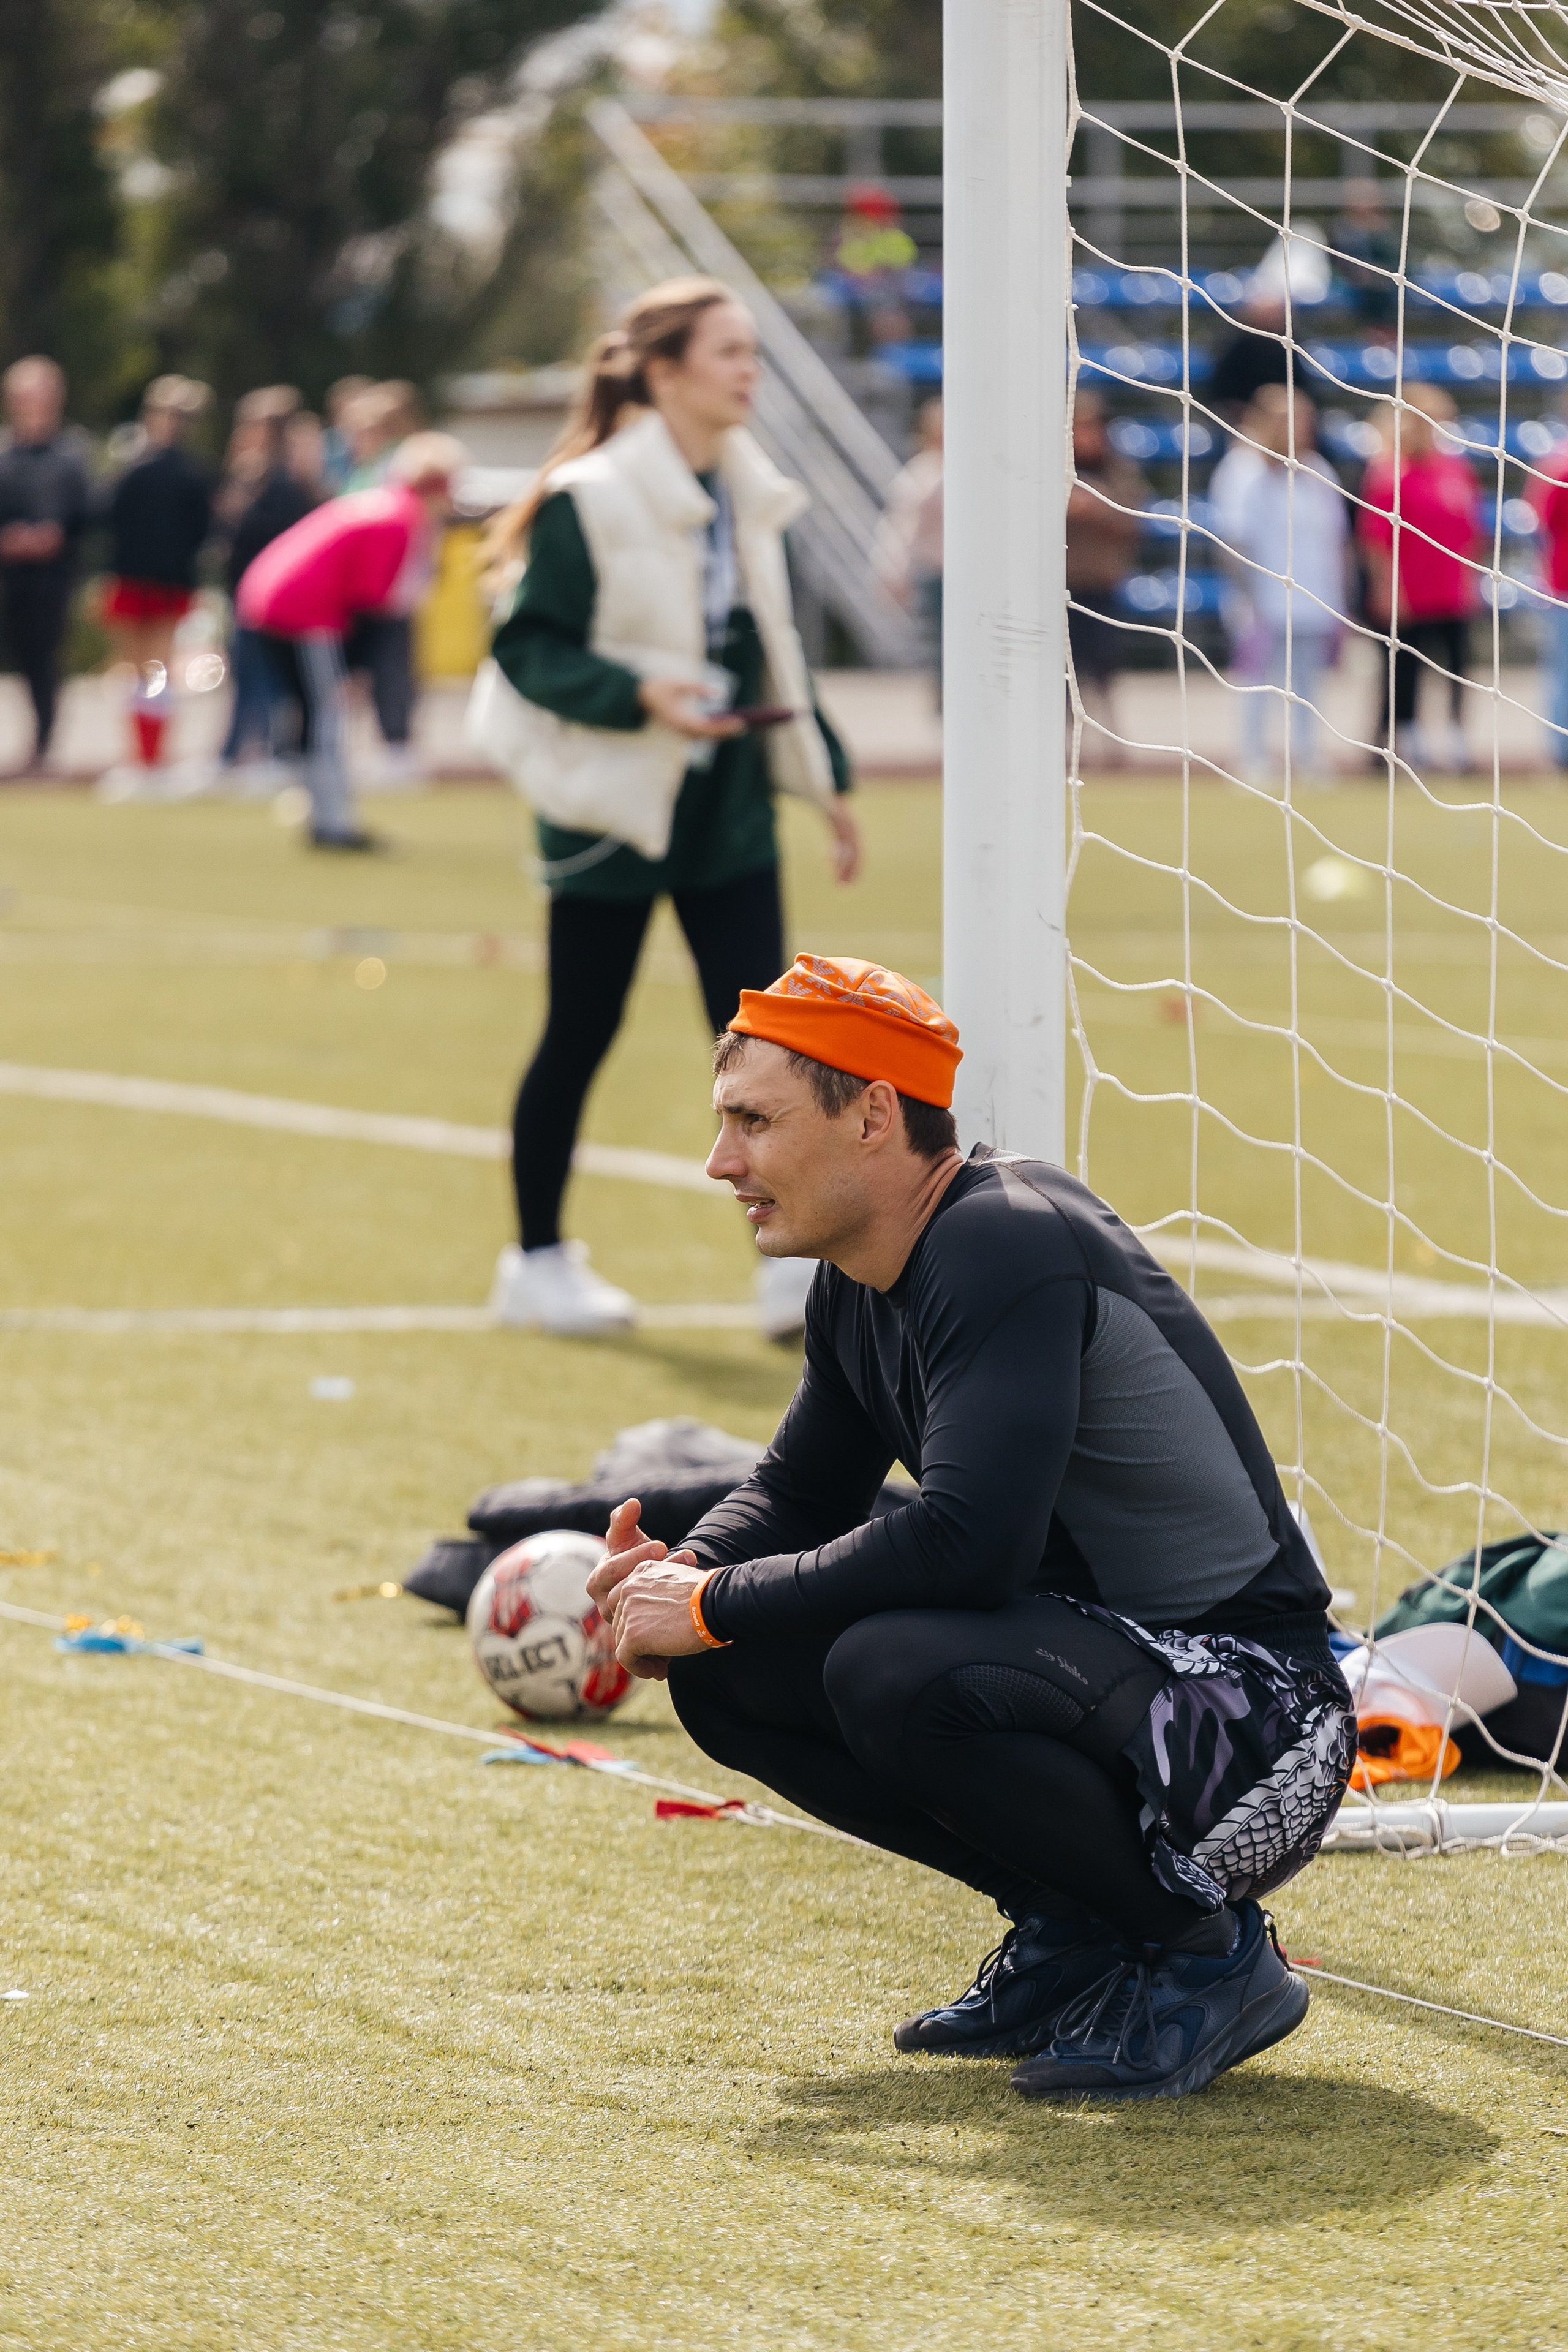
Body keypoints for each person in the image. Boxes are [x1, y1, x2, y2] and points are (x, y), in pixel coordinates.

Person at [587, 955, 1355, 2102]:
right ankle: (1075, 1928)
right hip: (1115, 1687)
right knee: (731, 1680)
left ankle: (1206, 1958)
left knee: (890, 1665)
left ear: (874, 1117)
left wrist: (708, 1604)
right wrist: (682, 1578)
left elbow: (970, 1541)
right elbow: (801, 1491)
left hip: (1260, 1731)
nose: (722, 1161)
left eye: (755, 1120)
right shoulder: (858, 1274)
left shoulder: (1003, 1238)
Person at [484, 276, 862, 1343]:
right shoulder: (590, 495)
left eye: (753, 352)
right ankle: (538, 1261)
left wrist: (826, 785)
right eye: (728, 353)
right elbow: (527, 649)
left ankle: (790, 1272)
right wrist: (637, 693)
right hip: (611, 806)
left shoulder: (749, 488)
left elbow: (770, 649)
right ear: (664, 371)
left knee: (766, 1048)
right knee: (582, 1028)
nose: (750, 372)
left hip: (728, 805)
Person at [235, 431, 466, 849]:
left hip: (278, 601)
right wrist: (358, 668)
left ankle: (323, 811)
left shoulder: (385, 506)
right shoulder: (400, 518)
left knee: (313, 711)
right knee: (326, 713)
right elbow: (373, 600)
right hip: (303, 611)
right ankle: (332, 821)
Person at [1209, 386, 1348, 782]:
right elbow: (1235, 539)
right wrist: (1249, 598)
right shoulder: (1242, 470)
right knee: (1258, 679)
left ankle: (1307, 754)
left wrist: (1340, 597)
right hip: (1262, 598)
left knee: (1308, 680)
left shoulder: (1319, 470)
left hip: (1314, 594)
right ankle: (1251, 755)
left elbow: (1336, 538)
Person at [98, 375, 214, 797]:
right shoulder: (134, 466)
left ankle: (156, 760)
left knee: (159, 673)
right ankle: (139, 759)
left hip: (169, 586)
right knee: (132, 673)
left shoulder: (190, 474)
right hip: (133, 582)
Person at [1357, 386, 1480, 773]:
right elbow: (1376, 542)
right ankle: (1406, 745)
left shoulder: (1457, 471)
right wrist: (1389, 591)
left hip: (1450, 592)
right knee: (1404, 675)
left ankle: (1458, 743)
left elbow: (1470, 532)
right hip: (1409, 593)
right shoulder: (1389, 475)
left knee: (1459, 668)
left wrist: (1469, 581)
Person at [0, 356, 92, 777]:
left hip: (51, 580)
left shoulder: (71, 455)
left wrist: (49, 537)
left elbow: (86, 514)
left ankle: (43, 744)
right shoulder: (6, 454)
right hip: (9, 575)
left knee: (42, 660)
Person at [218, 387, 317, 780]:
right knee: (248, 675)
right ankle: (241, 751)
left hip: (272, 595)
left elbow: (268, 535)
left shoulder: (284, 482)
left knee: (269, 677)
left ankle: (270, 753)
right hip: (247, 593)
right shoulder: (254, 477)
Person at [1065, 386, 1147, 761]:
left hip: (1101, 586)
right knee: (1061, 674)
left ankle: (1111, 740)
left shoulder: (1118, 472)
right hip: (1059, 589)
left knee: (1104, 667)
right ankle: (1065, 745)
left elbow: (1135, 520)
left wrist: (1098, 506)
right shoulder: (1051, 470)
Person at [873, 396, 943, 704]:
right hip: (938, 574)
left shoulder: (978, 468)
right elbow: (899, 527)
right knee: (946, 645)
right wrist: (891, 571)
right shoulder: (918, 474)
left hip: (977, 576)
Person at [1525, 416, 1568, 768]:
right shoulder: (1560, 467)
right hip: (1562, 588)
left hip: (1560, 586)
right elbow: (1545, 521)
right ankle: (1560, 752)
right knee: (1561, 674)